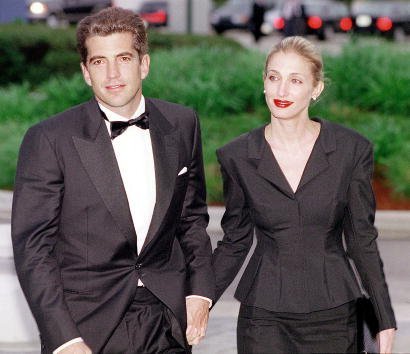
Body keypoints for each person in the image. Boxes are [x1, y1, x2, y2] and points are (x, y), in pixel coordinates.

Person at [11, 7, 214, 354]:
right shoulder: (49, 139)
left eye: (123, 58)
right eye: (99, 62)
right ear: (86, 73)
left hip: (165, 318)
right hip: (87, 326)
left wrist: (200, 290)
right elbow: (33, 249)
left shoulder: (182, 124)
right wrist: (64, 338)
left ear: (144, 64)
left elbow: (192, 218)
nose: (113, 73)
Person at [212, 36, 396, 353]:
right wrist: (197, 300)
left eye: (295, 80)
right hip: (263, 316)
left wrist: (384, 317)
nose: (282, 91)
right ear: (264, 84)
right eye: (274, 77)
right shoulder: (238, 156)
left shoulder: (350, 151)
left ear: (316, 89)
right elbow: (235, 240)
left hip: (334, 313)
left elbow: (361, 238)